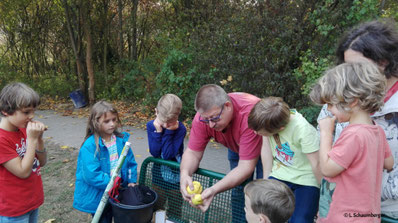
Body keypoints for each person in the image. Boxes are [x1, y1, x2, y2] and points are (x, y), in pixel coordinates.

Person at [316, 20, 398, 219]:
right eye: (346, 66)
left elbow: (328, 165)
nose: (348, 73)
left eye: (356, 66)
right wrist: (328, 201)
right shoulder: (340, 100)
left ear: (383, 61)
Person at [311, 62, 394, 222]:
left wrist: (326, 133)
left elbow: (327, 169)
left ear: (352, 101)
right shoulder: (377, 131)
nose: (328, 109)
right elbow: (389, 163)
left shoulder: (354, 134)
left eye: (330, 104)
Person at [180, 84, 263, 222]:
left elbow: (246, 167)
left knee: (262, 194)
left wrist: (213, 190)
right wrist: (184, 174)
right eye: (206, 120)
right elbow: (193, 153)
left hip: (266, 149)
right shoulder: (203, 118)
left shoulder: (249, 114)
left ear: (228, 106)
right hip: (236, 145)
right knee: (238, 189)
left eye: (214, 118)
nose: (211, 125)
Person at [248, 96, 321, 223]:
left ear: (280, 129)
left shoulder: (303, 130)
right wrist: (266, 180)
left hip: (306, 180)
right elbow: (266, 149)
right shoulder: (265, 122)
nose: (255, 134)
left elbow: (316, 165)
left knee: (300, 220)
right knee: (263, 216)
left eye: (260, 132)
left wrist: (324, 198)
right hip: (279, 175)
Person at [73, 100, 138, 222]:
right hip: (100, 196)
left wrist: (131, 180)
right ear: (96, 122)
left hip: (119, 192)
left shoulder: (121, 141)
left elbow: (130, 163)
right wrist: (112, 183)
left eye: (114, 119)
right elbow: (91, 174)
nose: (112, 124)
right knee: (104, 219)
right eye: (107, 121)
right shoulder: (90, 146)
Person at [0, 82, 47, 223]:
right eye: (26, 112)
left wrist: (39, 139)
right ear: (6, 111)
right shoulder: (1, 139)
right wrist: (32, 139)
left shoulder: (23, 129)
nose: (31, 116)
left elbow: (42, 162)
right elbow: (23, 172)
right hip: (13, 210)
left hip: (31, 201)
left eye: (33, 111)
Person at [146, 94, 186, 219]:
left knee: (175, 208)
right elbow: (155, 152)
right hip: (158, 177)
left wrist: (169, 132)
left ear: (177, 117)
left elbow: (168, 154)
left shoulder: (180, 129)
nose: (166, 125)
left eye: (170, 122)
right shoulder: (151, 126)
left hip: (176, 178)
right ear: (156, 112)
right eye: (164, 121)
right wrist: (158, 132)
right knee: (157, 207)